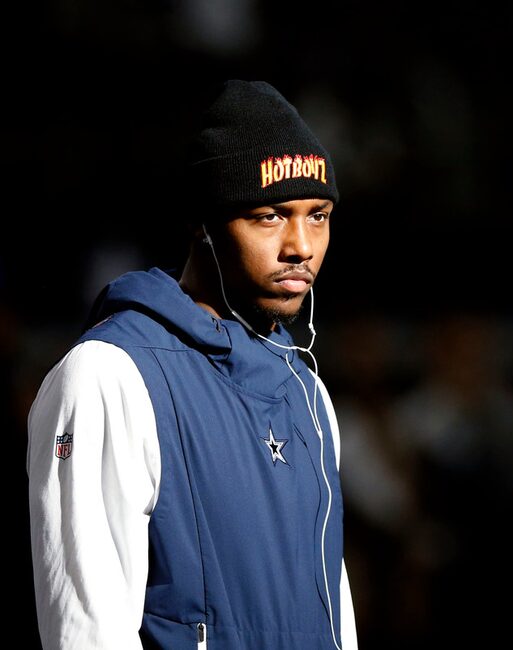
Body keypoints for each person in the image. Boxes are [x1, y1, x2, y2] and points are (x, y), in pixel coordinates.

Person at [27, 79, 359, 649]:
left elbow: (335, 617)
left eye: (319, 214)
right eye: (269, 215)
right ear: (201, 222)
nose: (301, 245)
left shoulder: (306, 387)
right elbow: (86, 631)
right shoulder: (109, 373)